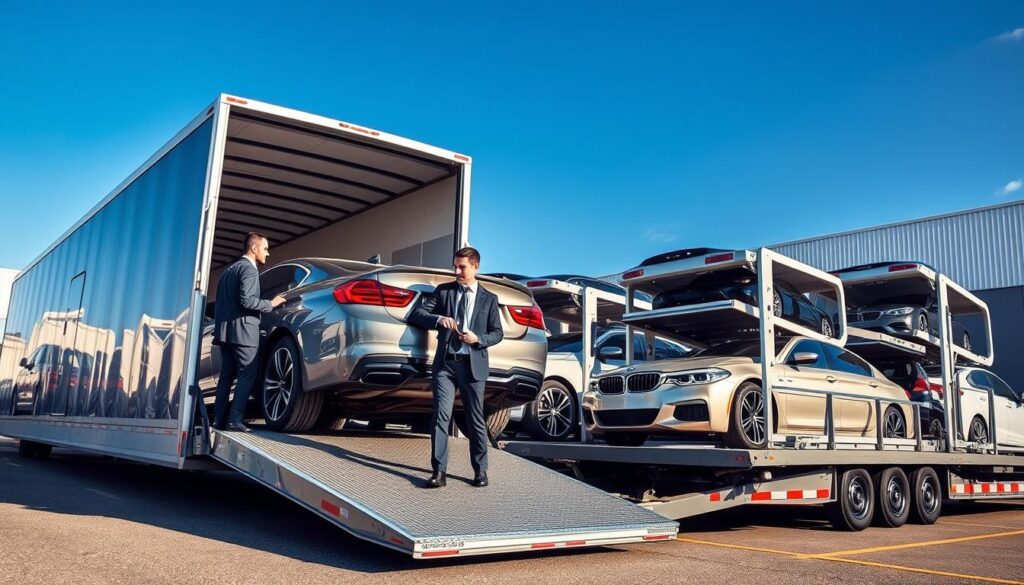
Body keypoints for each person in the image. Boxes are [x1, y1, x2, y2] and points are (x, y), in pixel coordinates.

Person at [410, 246, 504, 488]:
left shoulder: (489, 299)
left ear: (476, 267)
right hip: (446, 365)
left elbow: (497, 333)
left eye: (462, 267)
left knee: (475, 419)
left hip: (473, 366)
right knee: (440, 416)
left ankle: (480, 471)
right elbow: (417, 314)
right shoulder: (444, 291)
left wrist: (478, 339)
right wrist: (439, 319)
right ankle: (439, 472)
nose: (457, 271)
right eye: (455, 266)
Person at [212, 232, 285, 432]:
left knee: (226, 377)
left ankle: (219, 420)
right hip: (244, 332)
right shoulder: (249, 269)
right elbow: (247, 301)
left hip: (225, 333)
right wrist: (271, 304)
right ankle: (235, 420)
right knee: (247, 375)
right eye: (265, 248)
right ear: (254, 248)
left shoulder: (228, 272)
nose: (268, 253)